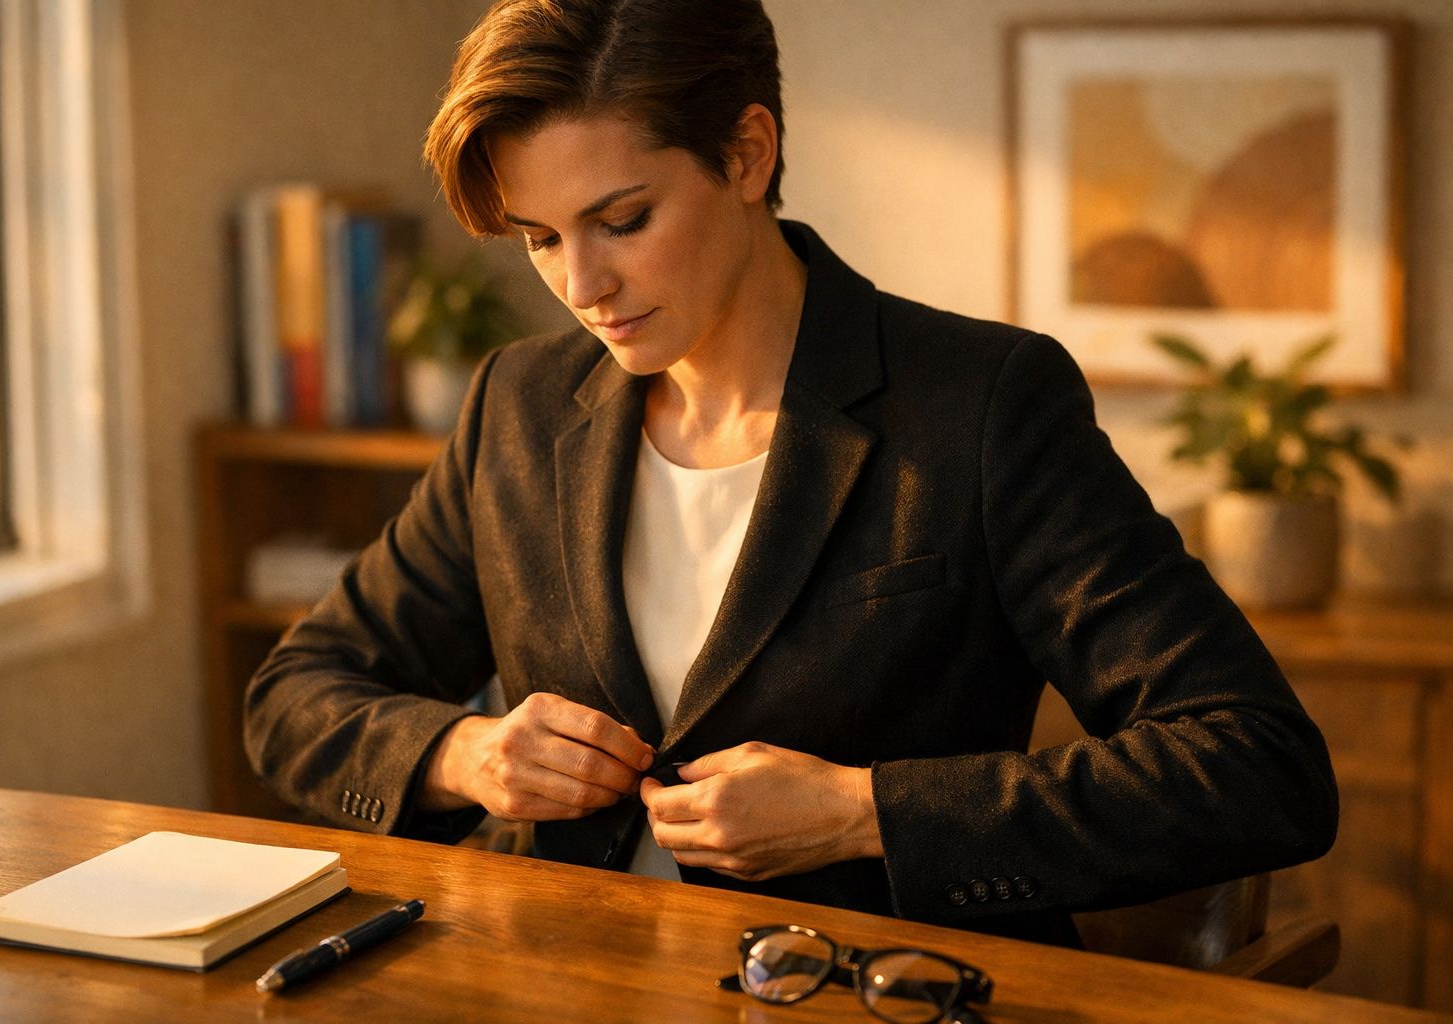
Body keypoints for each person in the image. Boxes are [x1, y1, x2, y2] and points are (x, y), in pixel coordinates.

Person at [245, 0, 1336, 947]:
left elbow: (1257, 766)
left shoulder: (984, 406)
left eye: (622, 220)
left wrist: (867, 812)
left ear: (748, 152)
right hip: (557, 979)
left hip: (867, 989)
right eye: (539, 238)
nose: (581, 283)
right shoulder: (518, 407)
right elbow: (295, 695)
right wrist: (461, 752)